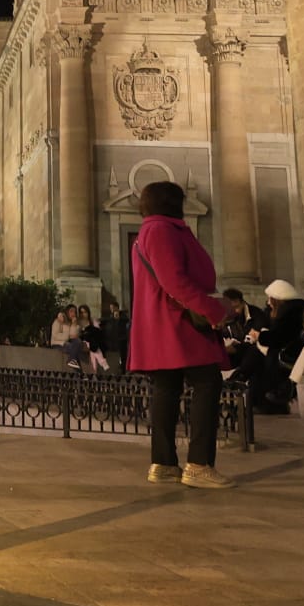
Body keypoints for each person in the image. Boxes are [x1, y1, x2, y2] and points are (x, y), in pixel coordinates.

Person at [126, 180, 232, 488]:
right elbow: (173, 281)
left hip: (163, 323)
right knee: (207, 383)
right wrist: (213, 310)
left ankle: (164, 463)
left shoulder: (153, 230)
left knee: (168, 389)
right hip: (178, 324)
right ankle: (198, 463)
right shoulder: (161, 230)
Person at [247, 279, 304, 414]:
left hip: (289, 351)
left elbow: (280, 336)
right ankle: (254, 397)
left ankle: (266, 401)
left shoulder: (292, 313)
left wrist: (260, 336)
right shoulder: (273, 311)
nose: (268, 302)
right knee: (254, 355)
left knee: (262, 357)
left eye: (270, 298)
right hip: (277, 348)